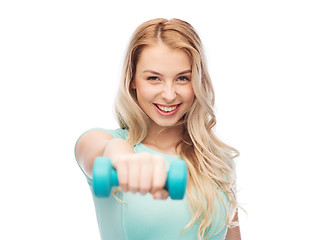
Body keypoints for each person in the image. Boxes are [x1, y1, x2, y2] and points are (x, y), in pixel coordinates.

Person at [75, 18, 241, 240]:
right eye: (154, 78)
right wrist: (121, 156)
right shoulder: (103, 142)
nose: (169, 94)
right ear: (132, 79)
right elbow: (97, 150)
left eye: (183, 78)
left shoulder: (217, 161)